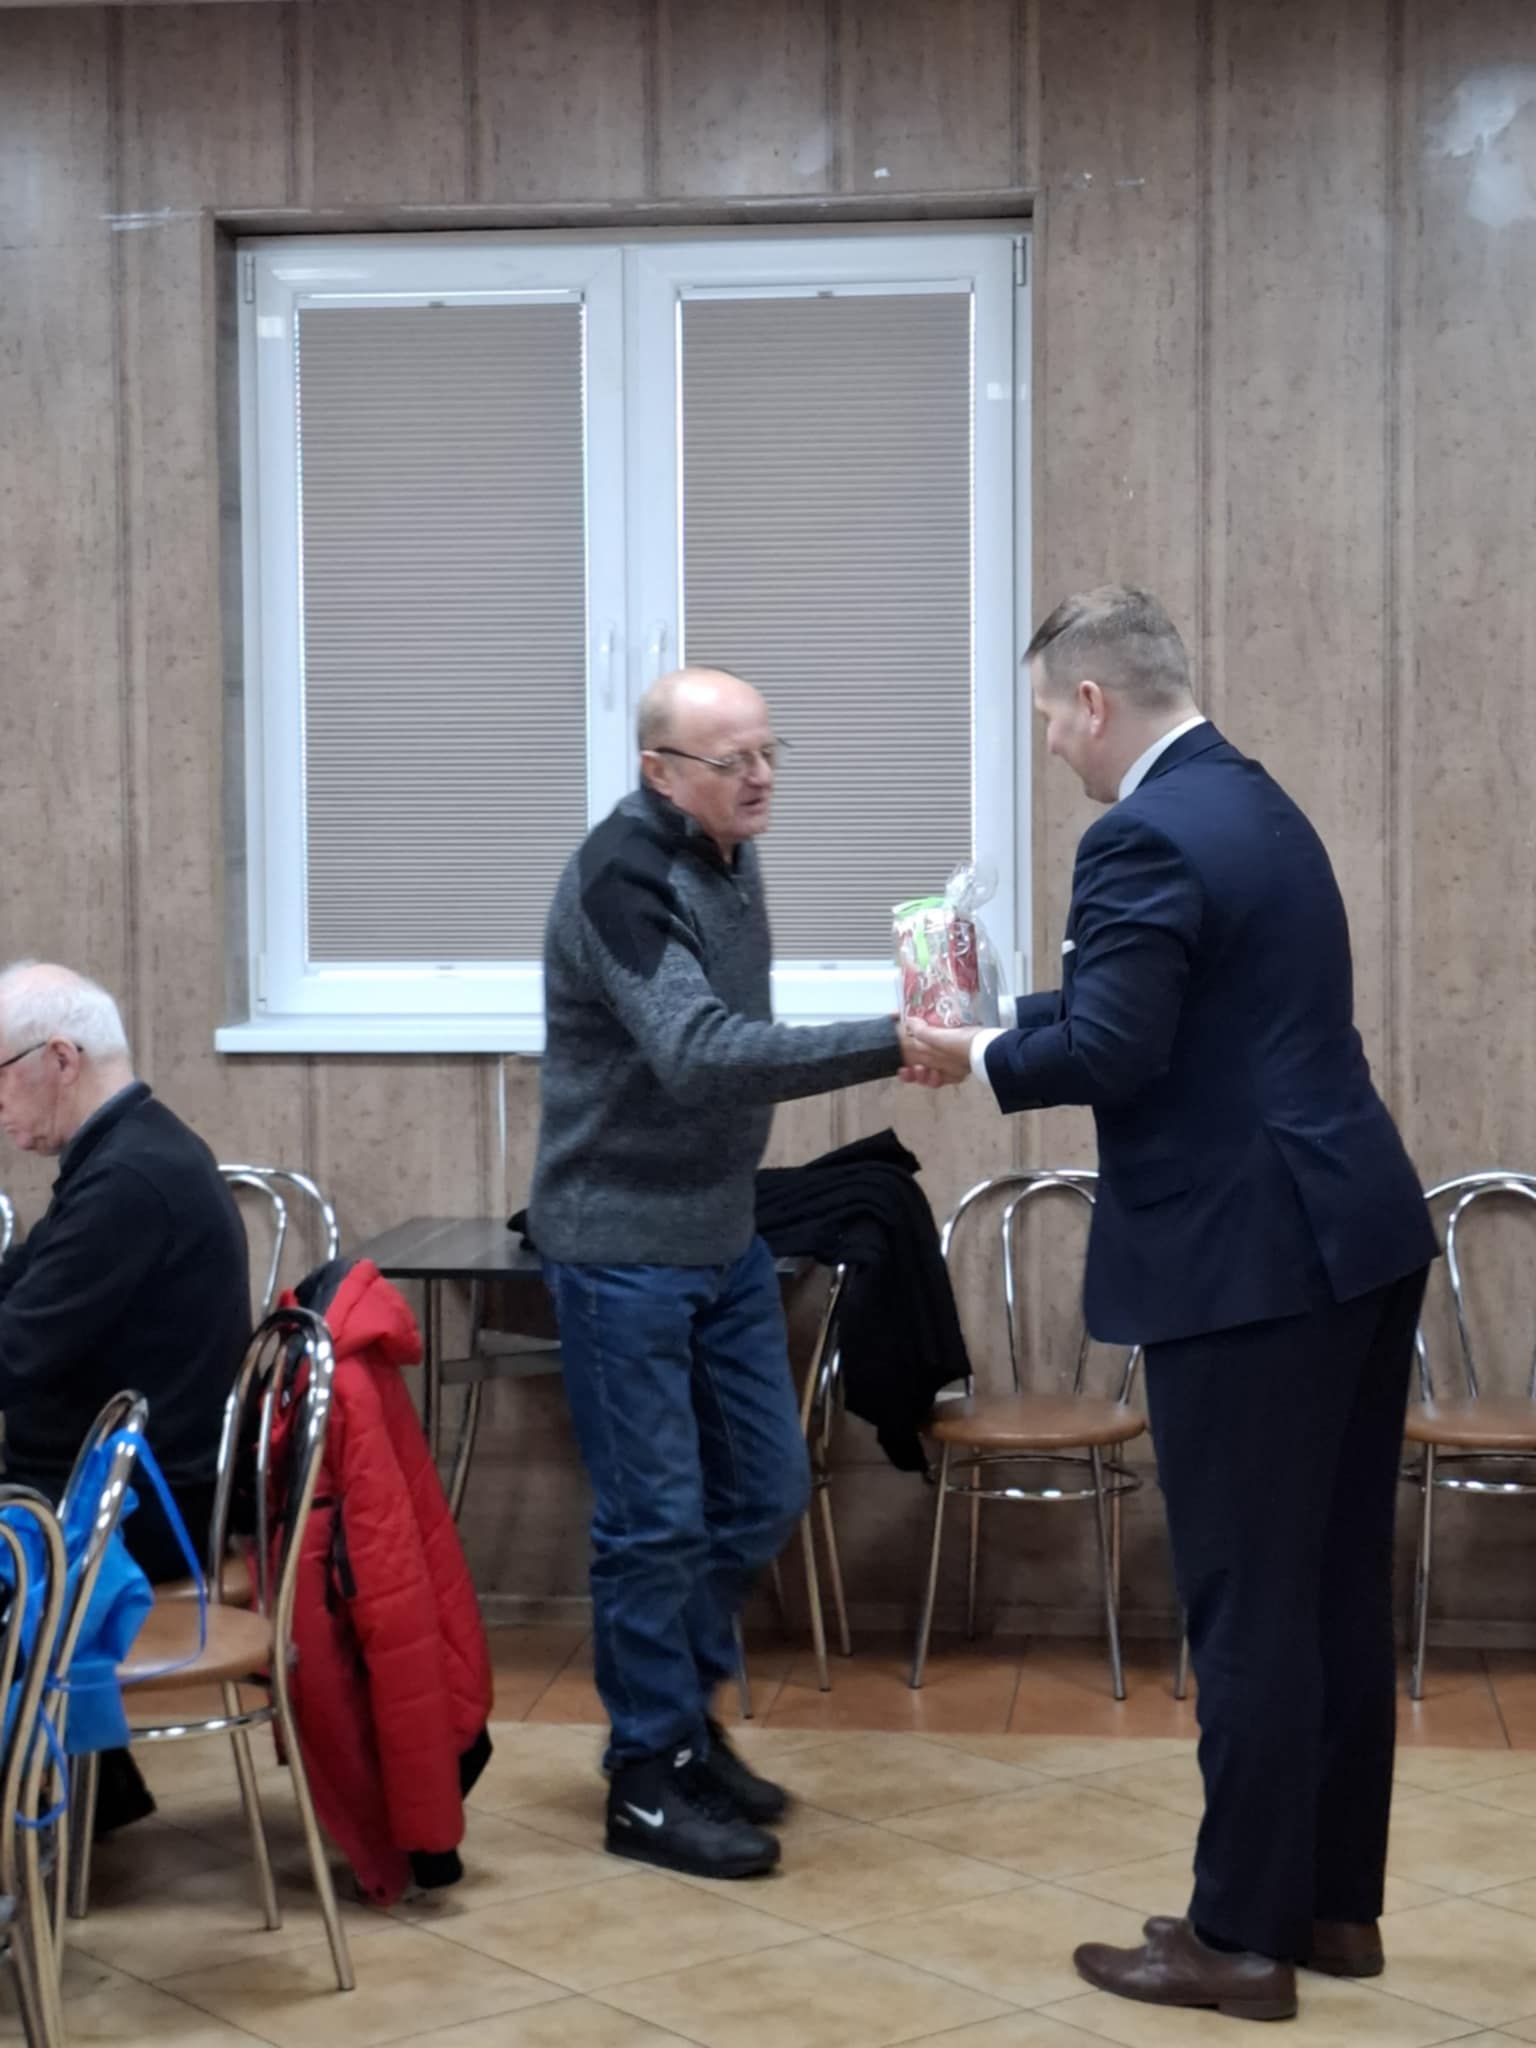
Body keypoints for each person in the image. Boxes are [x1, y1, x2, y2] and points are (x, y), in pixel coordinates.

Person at [903, 588, 1437, 2023]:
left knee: (1246, 1601)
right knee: (1330, 1586)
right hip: (1357, 1232)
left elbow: (1119, 1048)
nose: (1050, 748)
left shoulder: (1136, 832)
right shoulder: (1256, 802)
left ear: (1092, 702)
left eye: (1047, 719)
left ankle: (1237, 1939)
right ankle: (1329, 1905)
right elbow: (1178, 1014)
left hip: (1250, 1262)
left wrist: (974, 1055)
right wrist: (1006, 1027)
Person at [529, 667, 942, 1881]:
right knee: (652, 1519)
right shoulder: (623, 879)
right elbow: (700, 1054)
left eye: (770, 751)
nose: (761, 777)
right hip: (619, 1246)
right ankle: (648, 1775)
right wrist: (890, 1042)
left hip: (720, 1233)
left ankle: (679, 1718)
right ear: (660, 772)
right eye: (732, 759)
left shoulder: (727, 854)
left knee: (764, 1488)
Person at [0, 961, 250, 1827]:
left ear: (60, 1059)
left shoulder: (129, 1182)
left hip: (133, 1510)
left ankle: (44, 1814)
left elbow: (14, 1352)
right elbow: (23, 1287)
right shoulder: (130, 1149)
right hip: (124, 1483)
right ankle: (94, 1790)